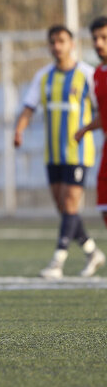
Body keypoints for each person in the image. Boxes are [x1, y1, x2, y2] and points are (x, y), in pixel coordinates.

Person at [15, 24, 104, 279]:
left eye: (61, 41)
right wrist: (19, 130)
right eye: (53, 42)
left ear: (72, 44)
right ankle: (92, 252)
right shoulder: (43, 76)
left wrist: (87, 129)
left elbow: (101, 109)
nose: (57, 46)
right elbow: (29, 106)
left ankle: (57, 261)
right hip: (53, 152)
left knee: (69, 203)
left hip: (78, 152)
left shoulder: (87, 74)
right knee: (65, 208)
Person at [72, 17, 107, 277]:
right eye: (95, 38)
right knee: (103, 207)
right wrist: (86, 128)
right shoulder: (97, 74)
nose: (98, 43)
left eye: (104, 37)